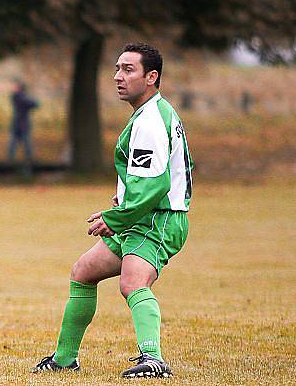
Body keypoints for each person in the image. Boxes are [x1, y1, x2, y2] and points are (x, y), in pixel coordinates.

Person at [32, 43, 193, 378]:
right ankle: (64, 359)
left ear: (152, 77)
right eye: (118, 68)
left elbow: (155, 186)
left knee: (133, 283)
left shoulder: (150, 120)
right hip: (140, 217)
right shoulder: (152, 114)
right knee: (83, 271)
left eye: (128, 70)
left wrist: (116, 217)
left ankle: (154, 360)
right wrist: (123, 200)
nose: (118, 77)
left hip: (155, 221)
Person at [8, 81, 39, 165]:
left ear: (20, 88)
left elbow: (35, 104)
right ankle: (13, 159)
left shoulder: (20, 96)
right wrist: (31, 99)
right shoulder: (18, 97)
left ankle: (27, 159)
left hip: (22, 123)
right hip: (20, 123)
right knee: (16, 141)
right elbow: (34, 104)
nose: (14, 88)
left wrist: (31, 100)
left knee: (24, 142)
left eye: (16, 87)